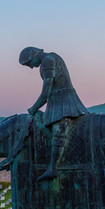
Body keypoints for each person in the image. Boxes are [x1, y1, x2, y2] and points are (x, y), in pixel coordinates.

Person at [19, 46, 88, 180]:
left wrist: (34, 108)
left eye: (29, 64)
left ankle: (53, 169)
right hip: (57, 100)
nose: (31, 67)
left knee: (59, 131)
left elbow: (46, 92)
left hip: (63, 101)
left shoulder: (47, 61)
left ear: (32, 57)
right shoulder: (50, 57)